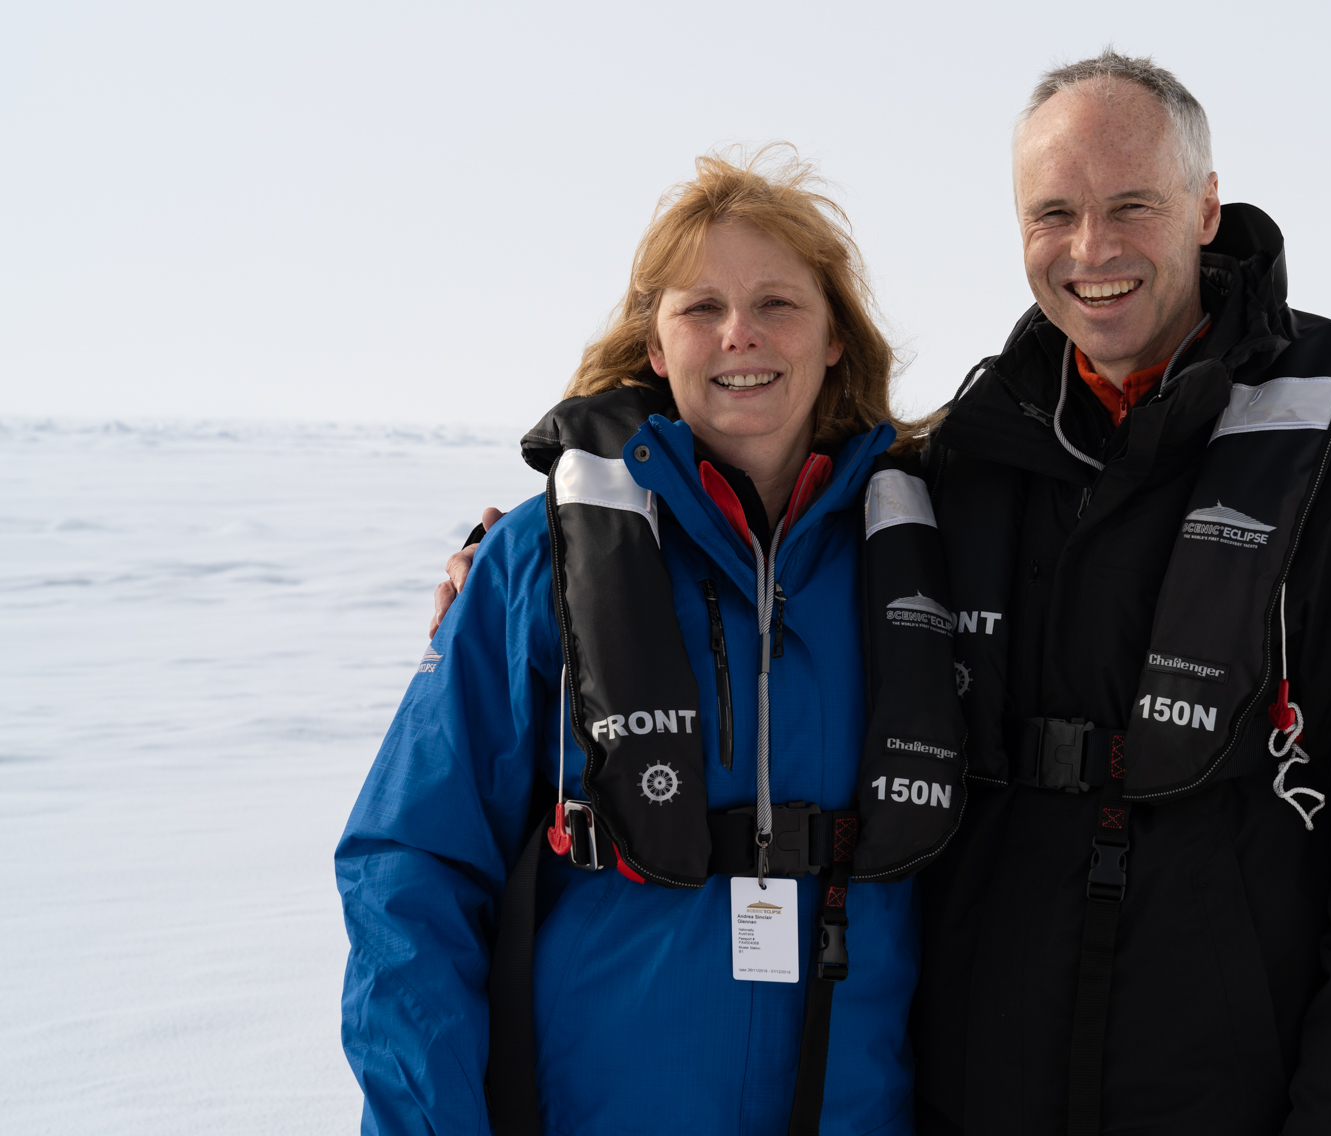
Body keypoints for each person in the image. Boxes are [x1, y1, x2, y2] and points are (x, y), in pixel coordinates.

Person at [434, 51, 1331, 1135]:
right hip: (971, 1093)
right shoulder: (971, 460)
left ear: (1206, 208)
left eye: (1132, 204)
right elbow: (755, 467)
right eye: (1055, 212)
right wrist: (525, 553)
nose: (1093, 248)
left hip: (1218, 1088)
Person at [339, 149, 967, 1136]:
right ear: (654, 342)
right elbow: (409, 861)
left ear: (836, 336)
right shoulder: (542, 556)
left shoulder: (931, 551)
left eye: (778, 303)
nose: (739, 337)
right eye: (700, 308)